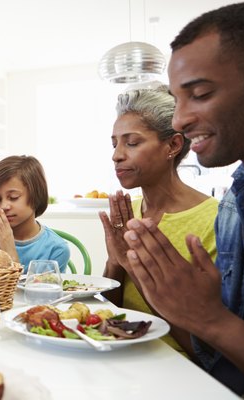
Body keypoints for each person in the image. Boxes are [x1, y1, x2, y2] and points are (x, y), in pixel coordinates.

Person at [120, 2, 244, 396]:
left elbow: (210, 335)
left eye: (200, 94)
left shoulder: (215, 213)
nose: (180, 120)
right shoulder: (239, 204)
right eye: (176, 99)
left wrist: (210, 320)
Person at [98, 85, 218, 358]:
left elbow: (207, 353)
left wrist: (133, 264)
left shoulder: (215, 220)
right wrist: (115, 263)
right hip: (120, 357)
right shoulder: (127, 214)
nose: (116, 155)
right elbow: (108, 311)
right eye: (114, 143)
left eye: (132, 142)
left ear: (173, 145)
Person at [0, 155, 69, 271]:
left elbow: (42, 289)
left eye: (13, 197)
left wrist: (11, 256)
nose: (3, 206)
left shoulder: (56, 249)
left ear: (36, 196)